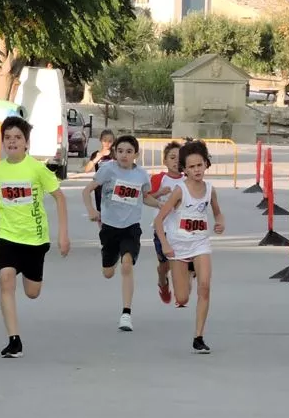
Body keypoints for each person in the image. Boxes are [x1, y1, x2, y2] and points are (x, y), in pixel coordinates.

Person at [0, 116, 71, 358]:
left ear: (27, 142)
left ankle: (30, 274)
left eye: (17, 138)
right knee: (6, 279)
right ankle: (14, 340)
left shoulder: (37, 169)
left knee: (32, 292)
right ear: (3, 142)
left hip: (35, 240)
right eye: (8, 138)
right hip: (6, 236)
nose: (12, 142)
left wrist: (63, 235)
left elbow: (59, 197)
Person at [83, 135, 164, 331]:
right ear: (114, 153)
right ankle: (111, 258)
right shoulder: (107, 170)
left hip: (131, 227)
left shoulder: (141, 175)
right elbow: (86, 191)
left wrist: (162, 205)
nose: (124, 155)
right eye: (120, 151)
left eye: (129, 152)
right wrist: (92, 211)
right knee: (108, 273)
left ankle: (126, 314)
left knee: (127, 265)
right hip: (109, 227)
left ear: (136, 154)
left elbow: (145, 198)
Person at [154, 140, 226, 353]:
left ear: (206, 164)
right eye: (192, 166)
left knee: (205, 287)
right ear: (184, 169)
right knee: (182, 298)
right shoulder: (179, 191)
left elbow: (217, 212)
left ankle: (198, 337)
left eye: (200, 165)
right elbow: (159, 221)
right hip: (177, 247)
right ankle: (175, 278)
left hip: (200, 243)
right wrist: (165, 244)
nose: (197, 170)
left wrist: (220, 221)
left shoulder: (210, 190)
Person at [149, 141, 183, 304]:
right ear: (165, 161)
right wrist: (159, 193)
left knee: (180, 261)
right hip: (162, 229)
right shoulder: (158, 179)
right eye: (172, 157)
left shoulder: (188, 179)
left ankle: (182, 290)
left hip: (182, 229)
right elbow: (145, 197)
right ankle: (162, 278)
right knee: (165, 264)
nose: (176, 161)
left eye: (180, 158)